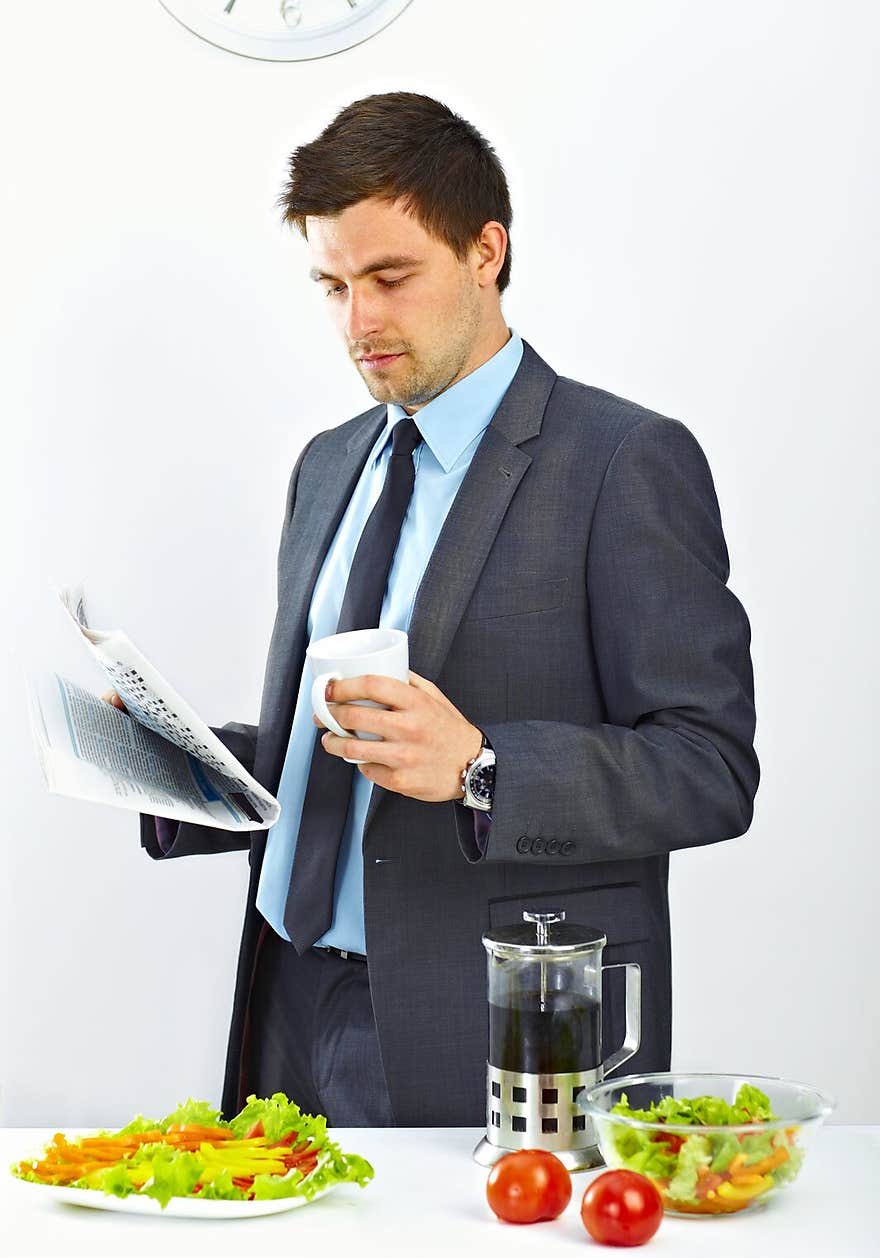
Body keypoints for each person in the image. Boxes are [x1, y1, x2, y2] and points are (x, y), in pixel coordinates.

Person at [109, 91, 759, 1128]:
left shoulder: (623, 462)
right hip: (284, 998)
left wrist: (482, 768)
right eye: (331, 285)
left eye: (389, 277)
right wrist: (176, 760)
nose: (357, 321)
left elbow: (711, 768)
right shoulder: (328, 467)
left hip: (483, 1023)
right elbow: (331, 751)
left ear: (485, 252)